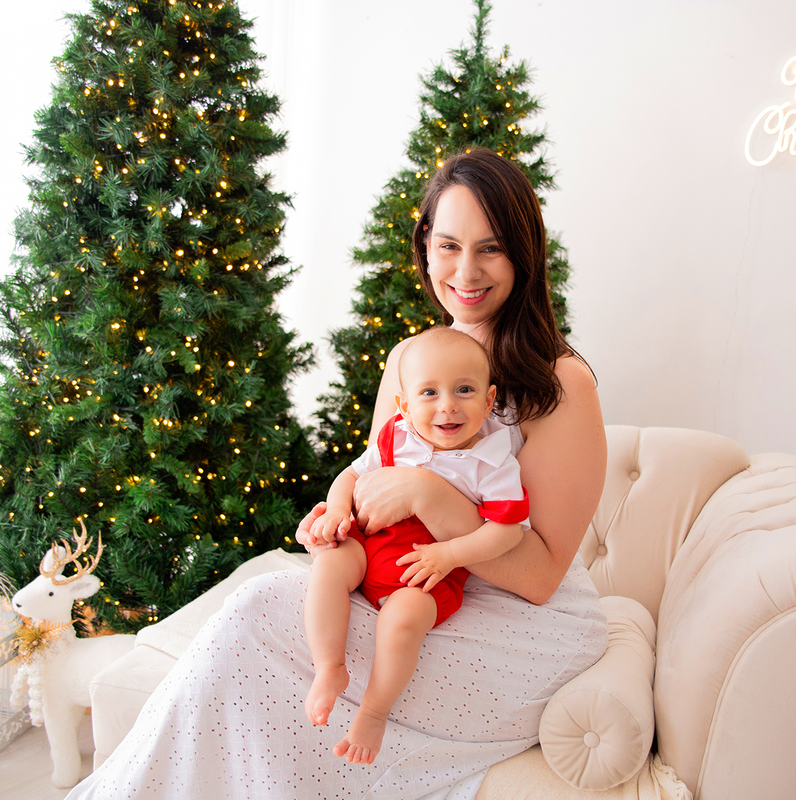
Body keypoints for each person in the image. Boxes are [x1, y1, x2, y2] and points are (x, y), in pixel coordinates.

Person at [66, 148, 609, 799]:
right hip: (407, 575)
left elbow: (543, 574)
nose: (466, 271)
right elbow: (374, 468)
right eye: (448, 246)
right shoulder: (410, 358)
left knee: (261, 611)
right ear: (424, 248)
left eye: (490, 249)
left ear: (524, 252)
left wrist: (432, 496)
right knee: (262, 610)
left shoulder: (560, 382)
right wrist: (339, 513)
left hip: (518, 626)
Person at [304, 326, 530, 765]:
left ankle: (373, 712)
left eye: (464, 390)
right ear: (405, 406)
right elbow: (350, 476)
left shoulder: (493, 462)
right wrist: (335, 511)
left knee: (404, 619)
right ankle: (328, 666)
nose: (447, 405)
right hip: (370, 547)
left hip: (426, 573)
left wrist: (449, 555)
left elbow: (508, 531)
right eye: (429, 392)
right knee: (329, 565)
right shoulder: (397, 436)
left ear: (488, 401)